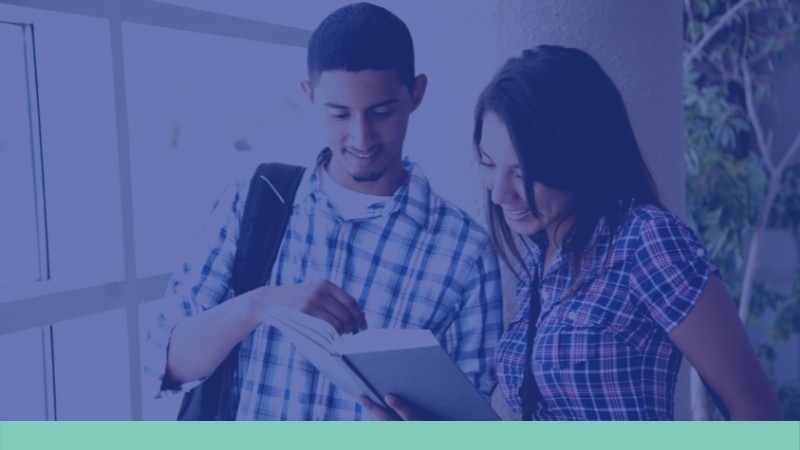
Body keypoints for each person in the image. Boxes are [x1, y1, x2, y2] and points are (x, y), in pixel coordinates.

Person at [143, 2, 502, 421]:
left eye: (382, 112)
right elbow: (164, 363)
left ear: (416, 94)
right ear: (309, 96)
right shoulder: (251, 200)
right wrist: (261, 305)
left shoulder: (465, 253)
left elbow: (469, 427)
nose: (362, 136)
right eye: (339, 113)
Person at [474, 45, 782, 420]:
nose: (500, 193)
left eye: (523, 172)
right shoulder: (539, 260)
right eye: (488, 164)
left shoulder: (647, 241)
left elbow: (755, 409)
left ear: (578, 155)